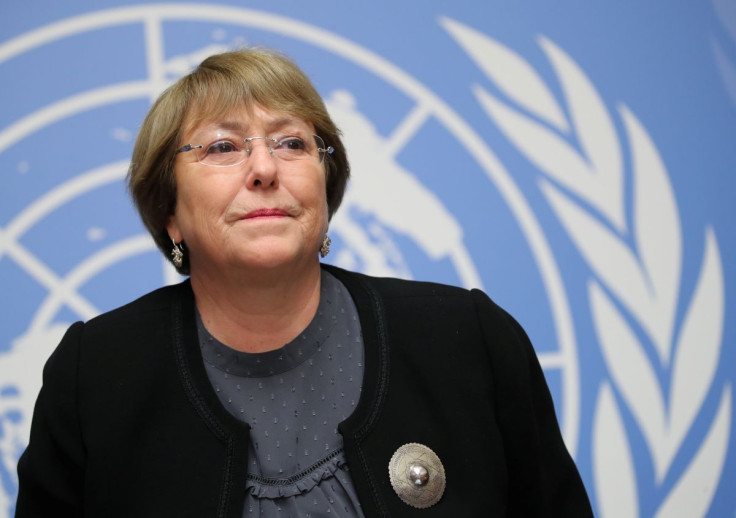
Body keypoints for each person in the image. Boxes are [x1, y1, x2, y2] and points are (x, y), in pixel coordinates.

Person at [15, 48, 593, 517]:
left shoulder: (466, 338)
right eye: (222, 147)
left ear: (326, 183)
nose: (264, 169)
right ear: (170, 213)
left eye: (291, 143)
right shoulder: (95, 375)